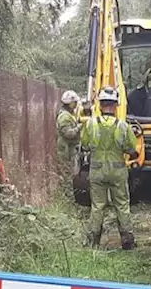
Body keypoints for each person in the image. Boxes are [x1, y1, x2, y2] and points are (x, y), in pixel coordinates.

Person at [80, 86, 138, 249]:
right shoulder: (123, 126)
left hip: (97, 171)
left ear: (99, 105)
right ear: (115, 105)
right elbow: (132, 149)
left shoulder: (91, 124)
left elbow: (85, 145)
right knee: (122, 205)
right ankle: (127, 241)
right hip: (118, 172)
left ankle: (93, 242)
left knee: (97, 206)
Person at [56, 90, 82, 178]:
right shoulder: (64, 116)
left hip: (69, 150)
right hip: (66, 151)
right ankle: (66, 190)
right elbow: (68, 134)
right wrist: (79, 127)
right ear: (70, 103)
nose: (76, 104)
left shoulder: (69, 114)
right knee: (66, 174)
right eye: (74, 103)